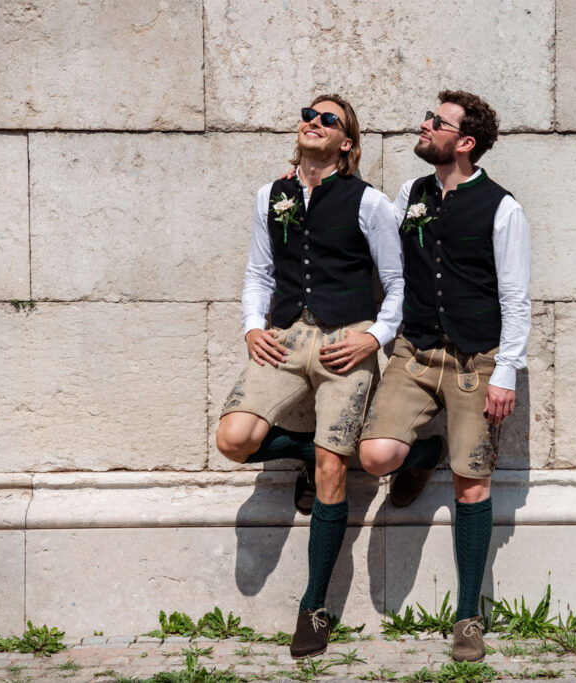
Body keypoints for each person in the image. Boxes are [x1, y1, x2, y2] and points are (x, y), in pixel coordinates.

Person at [215, 94, 404, 658]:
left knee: (330, 470)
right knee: (234, 440)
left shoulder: (369, 203)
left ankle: (314, 607)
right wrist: (252, 326)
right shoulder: (269, 195)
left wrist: (374, 337)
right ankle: (310, 445)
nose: (313, 123)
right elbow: (259, 270)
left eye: (329, 120)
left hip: (347, 337)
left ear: (346, 143)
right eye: (308, 115)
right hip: (286, 337)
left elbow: (396, 283)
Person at [359, 91, 531, 662]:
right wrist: (306, 175)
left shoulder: (503, 208)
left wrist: (505, 371)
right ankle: (419, 454)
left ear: (465, 142)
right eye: (429, 117)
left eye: (438, 122)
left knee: (472, 485)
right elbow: (355, 212)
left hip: (475, 361)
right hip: (415, 351)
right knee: (376, 455)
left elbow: (516, 298)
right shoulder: (412, 193)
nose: (425, 125)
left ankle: (468, 616)